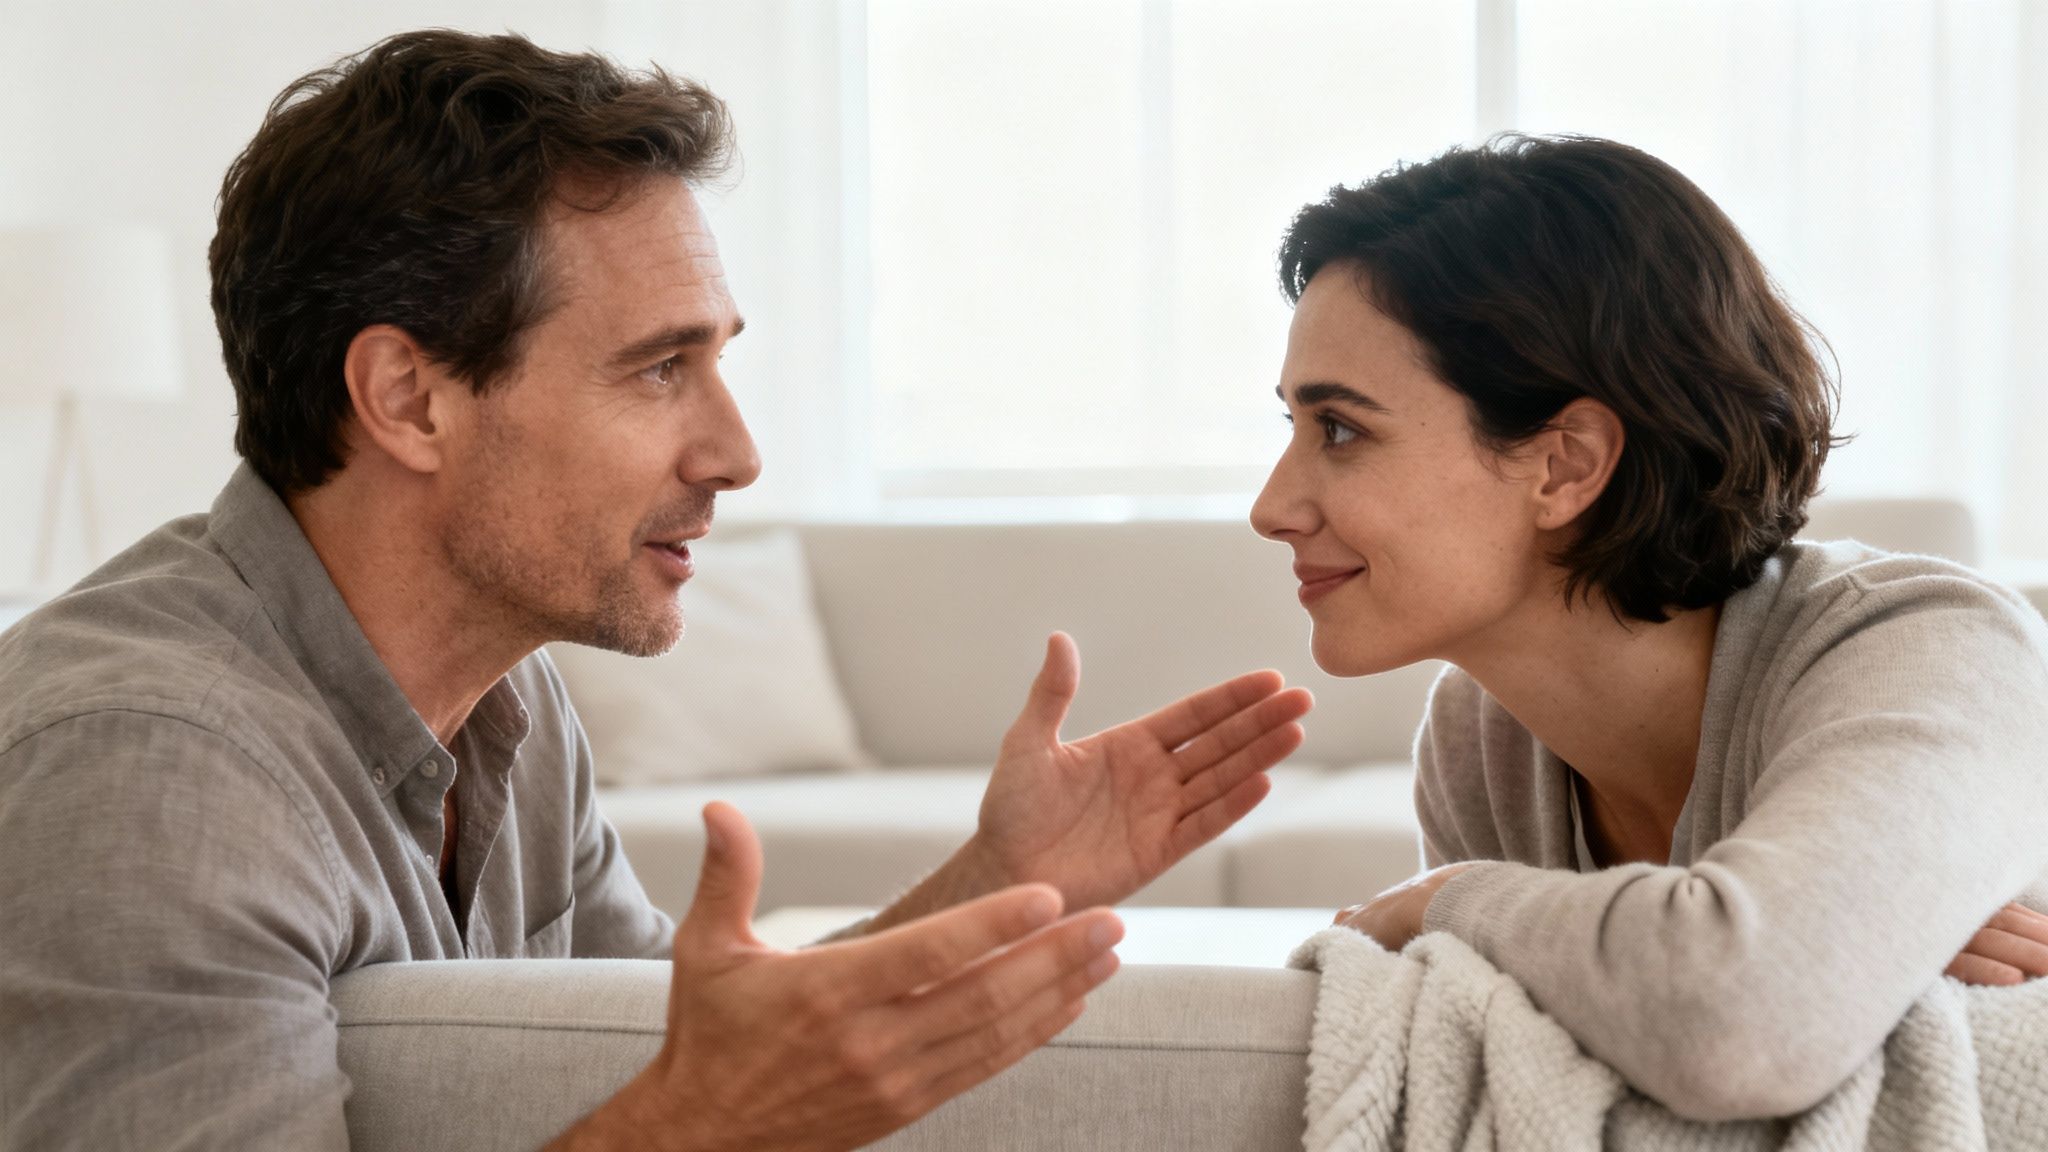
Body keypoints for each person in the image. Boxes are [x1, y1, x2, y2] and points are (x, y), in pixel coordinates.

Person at [0, 30, 1315, 1151]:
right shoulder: (148, 776)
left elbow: (671, 1054)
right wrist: (707, 1132)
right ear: (408, 399)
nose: (737, 454)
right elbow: (698, 1107)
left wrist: (1000, 876)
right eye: (656, 370)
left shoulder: (510, 706)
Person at [1250, 134, 2048, 1122]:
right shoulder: (1479, 737)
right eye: (1291, 428)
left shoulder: (1931, 643)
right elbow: (1523, 1075)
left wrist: (1450, 899)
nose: (1271, 505)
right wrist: (1760, 950)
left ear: (1564, 465)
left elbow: (1740, 1023)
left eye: (1340, 430)